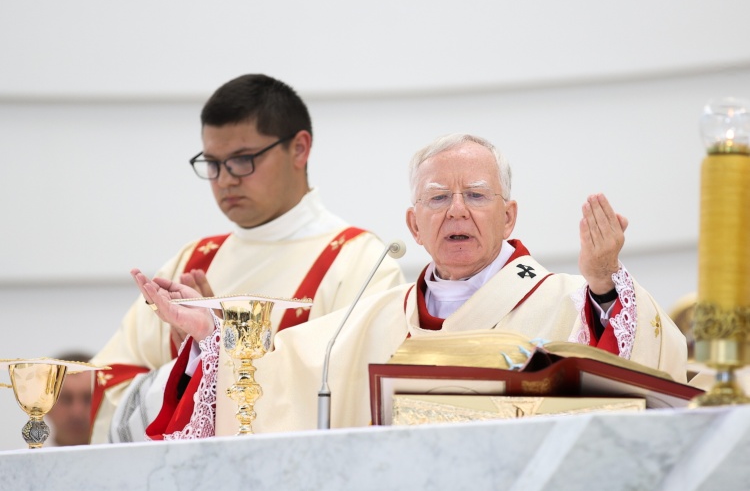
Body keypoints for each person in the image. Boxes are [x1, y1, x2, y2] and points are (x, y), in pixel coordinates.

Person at [140, 133, 687, 438]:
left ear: (510, 217)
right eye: (436, 198)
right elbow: (277, 374)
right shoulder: (368, 322)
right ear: (413, 225)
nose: (456, 210)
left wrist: (603, 282)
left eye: (476, 195)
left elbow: (642, 378)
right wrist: (215, 331)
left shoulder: (570, 299)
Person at [90, 74, 405, 443]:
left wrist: (220, 348)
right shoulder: (193, 261)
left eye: (242, 160)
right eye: (212, 163)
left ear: (300, 148)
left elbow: (356, 397)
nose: (225, 180)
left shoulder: (359, 262)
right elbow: (109, 386)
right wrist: (189, 361)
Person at [47, 352, 93, 447]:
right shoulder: (23, 461)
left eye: (88, 399)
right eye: (66, 399)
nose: (77, 412)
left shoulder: (125, 459)